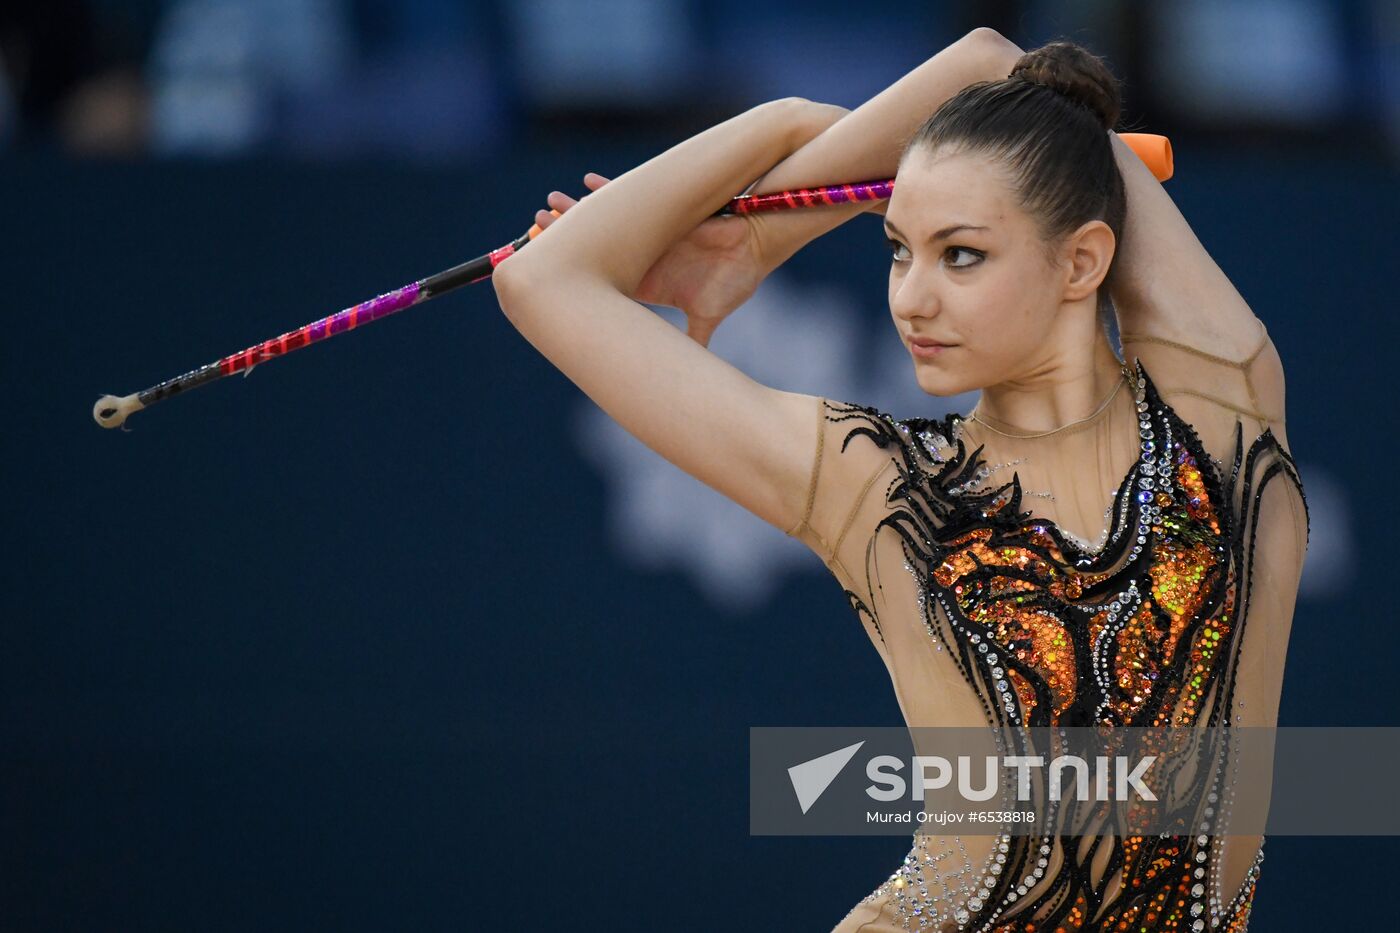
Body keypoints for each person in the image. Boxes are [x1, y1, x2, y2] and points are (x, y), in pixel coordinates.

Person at [494, 28, 1308, 933]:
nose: (912, 298)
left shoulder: (1223, 421)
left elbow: (1005, 68)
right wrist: (783, 123)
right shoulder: (880, 487)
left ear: (1081, 260)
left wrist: (764, 227)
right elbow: (545, 280)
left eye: (960, 254)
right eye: (896, 250)